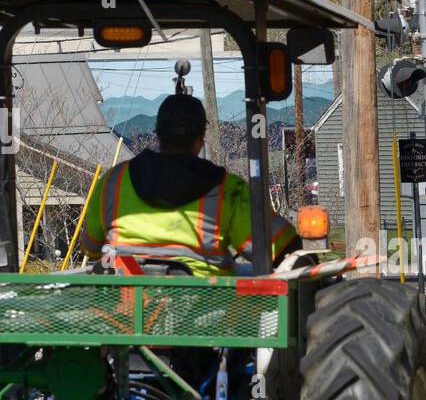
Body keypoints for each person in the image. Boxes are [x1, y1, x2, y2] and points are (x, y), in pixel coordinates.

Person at [81, 92, 298, 275]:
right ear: (201, 137)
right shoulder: (228, 190)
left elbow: (90, 247)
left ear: (157, 133)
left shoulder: (114, 181)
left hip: (126, 311)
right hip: (206, 315)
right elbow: (277, 248)